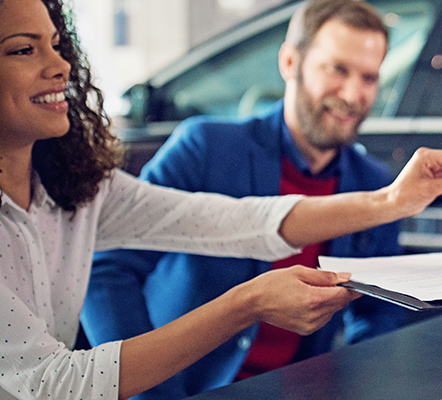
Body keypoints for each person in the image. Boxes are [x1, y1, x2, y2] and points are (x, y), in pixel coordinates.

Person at [0, 0, 442, 398]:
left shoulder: (72, 186)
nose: (61, 66)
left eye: (57, 44)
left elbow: (237, 222)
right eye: (24, 50)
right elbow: (56, 385)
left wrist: (392, 200)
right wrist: (249, 302)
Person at [80, 0, 410, 397]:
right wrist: (148, 389)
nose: (353, 94)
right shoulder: (205, 148)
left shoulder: (377, 188)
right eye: (337, 69)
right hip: (186, 388)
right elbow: (106, 271)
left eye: (369, 78)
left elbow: (378, 314)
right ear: (290, 62)